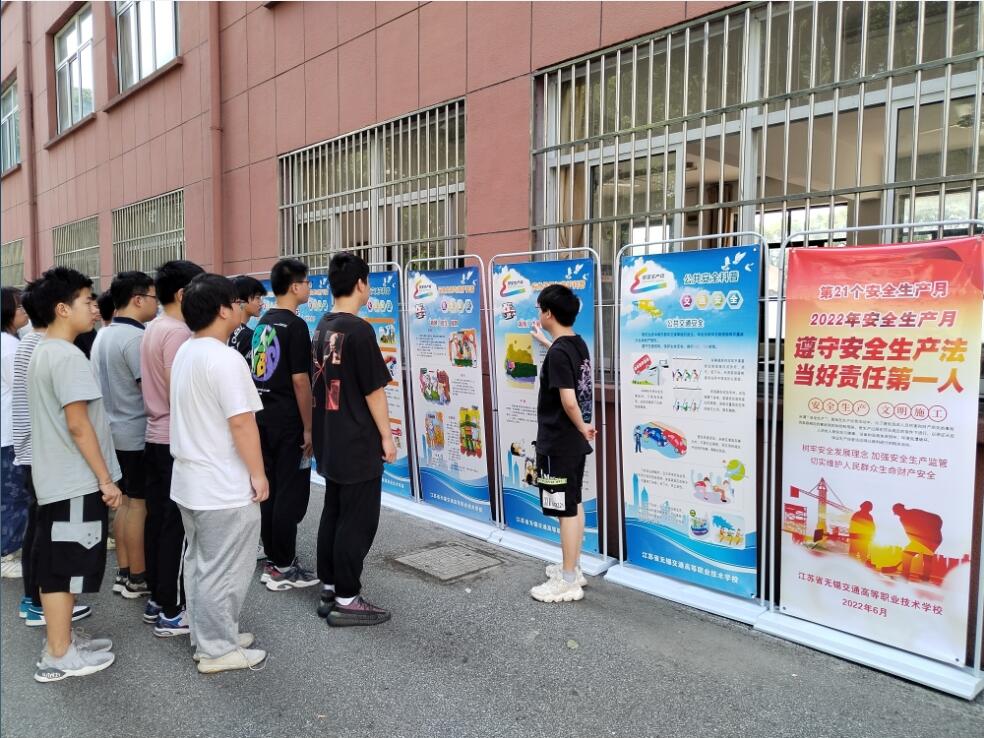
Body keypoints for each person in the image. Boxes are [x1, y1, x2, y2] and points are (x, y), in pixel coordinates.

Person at [170, 274, 270, 673]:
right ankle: (217, 648)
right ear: (223, 310)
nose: (240, 308)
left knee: (201, 564)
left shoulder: (187, 350)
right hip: (221, 485)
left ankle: (210, 636)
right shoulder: (226, 359)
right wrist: (258, 474)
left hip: (191, 481)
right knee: (224, 570)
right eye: (236, 302)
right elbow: (242, 423)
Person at [27, 267, 122, 682]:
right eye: (86, 300)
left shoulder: (46, 349)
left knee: (59, 564)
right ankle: (59, 653)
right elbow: (78, 425)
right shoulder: (66, 356)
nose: (94, 307)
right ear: (62, 308)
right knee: (64, 569)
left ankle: (61, 640)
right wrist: (106, 479)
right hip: (74, 480)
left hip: (59, 478)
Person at [312, 252, 396, 626]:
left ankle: (330, 587)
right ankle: (347, 597)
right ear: (361, 284)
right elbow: (373, 391)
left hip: (330, 437)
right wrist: (387, 437)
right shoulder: (359, 330)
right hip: (356, 439)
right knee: (357, 520)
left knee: (334, 510)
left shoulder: (322, 325)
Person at [140, 260, 204, 635]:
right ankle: (171, 608)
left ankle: (157, 597)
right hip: (172, 438)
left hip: (154, 435)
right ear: (183, 294)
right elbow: (177, 391)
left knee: (159, 521)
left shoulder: (154, 326)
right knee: (176, 527)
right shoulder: (178, 333)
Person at [91, 272, 158, 600]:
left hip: (112, 431)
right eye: (154, 298)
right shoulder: (135, 339)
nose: (156, 304)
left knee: (126, 504)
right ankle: (138, 577)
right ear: (138, 299)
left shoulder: (104, 334)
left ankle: (124, 571)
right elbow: (149, 392)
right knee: (137, 506)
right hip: (135, 432)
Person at [528, 284, 596, 603]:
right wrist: (545, 342)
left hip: (558, 442)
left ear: (548, 313)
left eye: (540, 309)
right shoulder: (576, 344)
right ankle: (574, 569)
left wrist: (583, 427)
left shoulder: (558, 353)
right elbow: (565, 365)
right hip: (572, 444)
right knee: (574, 502)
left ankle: (568, 580)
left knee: (563, 509)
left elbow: (568, 401)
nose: (539, 314)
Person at [252, 259, 317, 591]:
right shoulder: (296, 326)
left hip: (263, 417)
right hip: (289, 420)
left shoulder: (263, 322)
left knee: (271, 490)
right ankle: (283, 567)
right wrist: (309, 428)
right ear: (294, 286)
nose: (309, 287)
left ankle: (273, 557)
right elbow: (301, 381)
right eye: (306, 282)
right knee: (289, 493)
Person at [2, 287, 30, 577]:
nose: (24, 310)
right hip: (9, 434)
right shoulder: (10, 347)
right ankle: (6, 554)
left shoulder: (10, 341)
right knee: (13, 497)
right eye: (19, 306)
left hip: (7, 432)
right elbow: (22, 388)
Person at [229, 275, 266, 362]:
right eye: (257, 298)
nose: (261, 303)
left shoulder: (224, 331)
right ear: (241, 300)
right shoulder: (250, 337)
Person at [72, 290, 114, 359]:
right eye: (96, 306)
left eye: (100, 307)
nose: (100, 310)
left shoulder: (94, 331)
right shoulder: (80, 331)